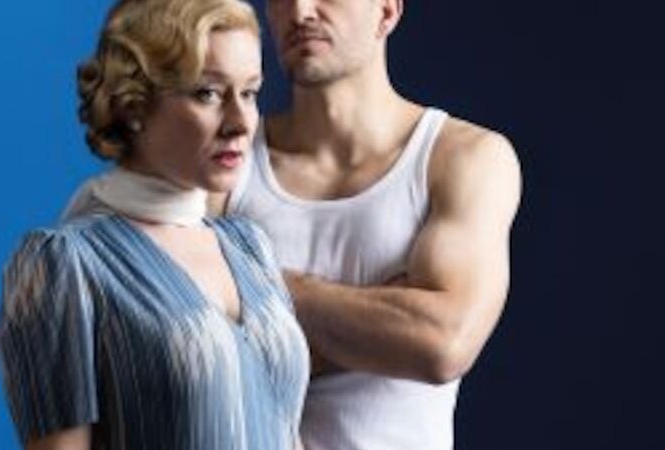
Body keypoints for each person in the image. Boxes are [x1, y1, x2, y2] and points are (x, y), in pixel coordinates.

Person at [0, 1, 309, 449]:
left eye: (251, 93)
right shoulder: (65, 264)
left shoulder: (249, 245)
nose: (241, 123)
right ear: (133, 104)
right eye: (207, 93)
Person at [215, 0, 523, 449]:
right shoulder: (223, 162)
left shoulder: (461, 157)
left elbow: (442, 343)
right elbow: (176, 360)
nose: (300, 11)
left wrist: (254, 286)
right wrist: (386, 313)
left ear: (387, 10)